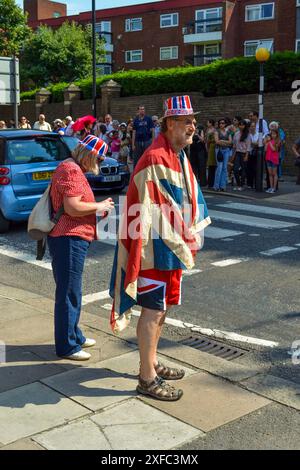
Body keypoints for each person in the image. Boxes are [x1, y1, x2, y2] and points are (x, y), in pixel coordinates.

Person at [109, 95, 211, 401]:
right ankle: (147, 378)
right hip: (153, 250)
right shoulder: (157, 157)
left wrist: (189, 233)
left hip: (168, 247)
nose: (194, 126)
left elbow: (186, 199)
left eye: (194, 120)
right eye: (188, 121)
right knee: (153, 311)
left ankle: (151, 361)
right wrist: (186, 239)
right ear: (170, 124)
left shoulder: (176, 153)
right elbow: (157, 208)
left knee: (161, 310)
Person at [48, 135, 115, 360]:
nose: (101, 163)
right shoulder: (72, 170)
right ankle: (67, 346)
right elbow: (73, 207)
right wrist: (100, 206)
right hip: (68, 237)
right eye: (100, 159)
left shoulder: (71, 166)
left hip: (71, 238)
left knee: (72, 290)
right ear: (90, 155)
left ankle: (75, 335)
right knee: (68, 293)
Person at [213, 118, 232, 191]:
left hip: (226, 150)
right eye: (220, 123)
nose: (221, 124)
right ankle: (216, 186)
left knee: (224, 168)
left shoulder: (228, 132)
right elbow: (217, 141)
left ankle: (223, 186)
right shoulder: (216, 131)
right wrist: (226, 142)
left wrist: (222, 141)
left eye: (223, 123)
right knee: (219, 168)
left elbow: (231, 142)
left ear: (225, 124)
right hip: (219, 150)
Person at [232, 119, 251, 191]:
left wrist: (246, 155)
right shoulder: (236, 134)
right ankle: (238, 183)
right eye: (240, 125)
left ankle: (242, 185)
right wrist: (233, 155)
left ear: (245, 126)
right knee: (235, 169)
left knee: (243, 169)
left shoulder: (247, 134)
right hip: (237, 153)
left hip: (244, 153)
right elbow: (234, 145)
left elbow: (248, 146)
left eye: (243, 125)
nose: (241, 126)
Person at [264, 129, 281, 193]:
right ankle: (270, 187)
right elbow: (265, 150)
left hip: (274, 159)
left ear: (277, 134)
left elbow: (274, 149)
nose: (273, 135)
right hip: (268, 158)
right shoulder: (269, 141)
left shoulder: (278, 141)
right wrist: (266, 142)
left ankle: (274, 188)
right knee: (270, 174)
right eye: (272, 134)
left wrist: (270, 142)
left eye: (274, 134)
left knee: (274, 174)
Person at [247, 122, 259, 189]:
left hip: (255, 154)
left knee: (255, 169)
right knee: (249, 169)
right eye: (251, 126)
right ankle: (249, 184)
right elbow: (247, 143)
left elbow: (258, 143)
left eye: (254, 126)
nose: (252, 127)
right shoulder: (248, 134)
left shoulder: (258, 134)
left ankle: (255, 183)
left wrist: (252, 143)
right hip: (249, 153)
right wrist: (254, 143)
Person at [206, 119, 216, 188]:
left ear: (211, 123)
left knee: (211, 166)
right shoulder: (208, 130)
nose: (207, 123)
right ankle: (210, 183)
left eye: (208, 122)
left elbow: (208, 140)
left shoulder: (213, 131)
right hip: (209, 148)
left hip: (212, 148)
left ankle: (211, 183)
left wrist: (208, 141)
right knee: (210, 166)